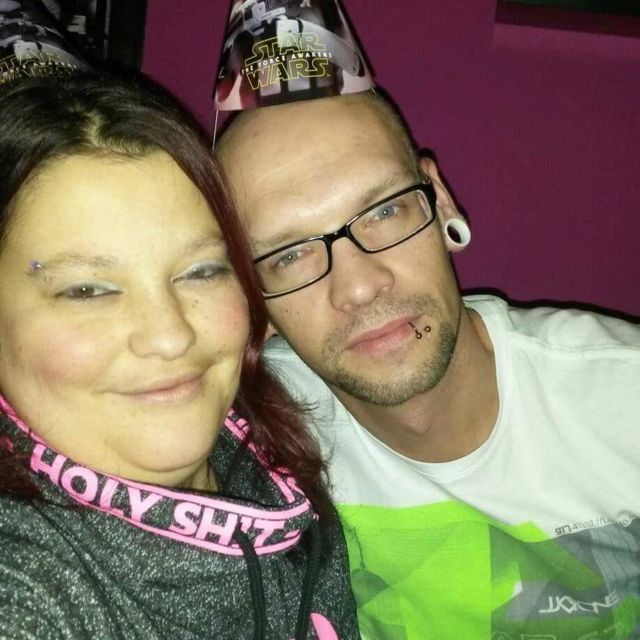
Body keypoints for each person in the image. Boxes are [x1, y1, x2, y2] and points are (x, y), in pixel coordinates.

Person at [216, 91, 640, 639]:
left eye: (384, 212)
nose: (359, 286)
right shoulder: (242, 431)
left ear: (440, 203)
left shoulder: (623, 398)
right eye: (289, 255)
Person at [0, 74, 360, 640]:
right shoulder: (25, 585)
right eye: (87, 290)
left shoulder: (273, 465)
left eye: (201, 271)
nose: (170, 337)